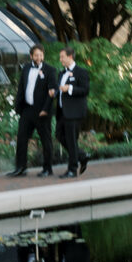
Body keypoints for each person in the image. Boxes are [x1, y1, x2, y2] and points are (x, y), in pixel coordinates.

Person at [9, 44, 58, 178]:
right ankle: (21, 168)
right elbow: (21, 88)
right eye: (36, 55)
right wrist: (18, 107)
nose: (39, 57)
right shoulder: (26, 68)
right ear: (31, 56)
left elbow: (53, 92)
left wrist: (46, 110)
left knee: (45, 140)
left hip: (42, 111)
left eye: (41, 55)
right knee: (22, 139)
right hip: (27, 110)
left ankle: (47, 168)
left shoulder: (50, 70)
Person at [55, 46, 90, 179]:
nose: (60, 59)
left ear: (70, 57)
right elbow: (60, 91)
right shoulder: (61, 73)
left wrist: (69, 88)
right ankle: (81, 156)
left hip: (74, 113)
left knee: (71, 139)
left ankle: (72, 169)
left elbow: (85, 90)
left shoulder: (81, 72)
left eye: (62, 57)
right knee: (59, 135)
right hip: (62, 112)